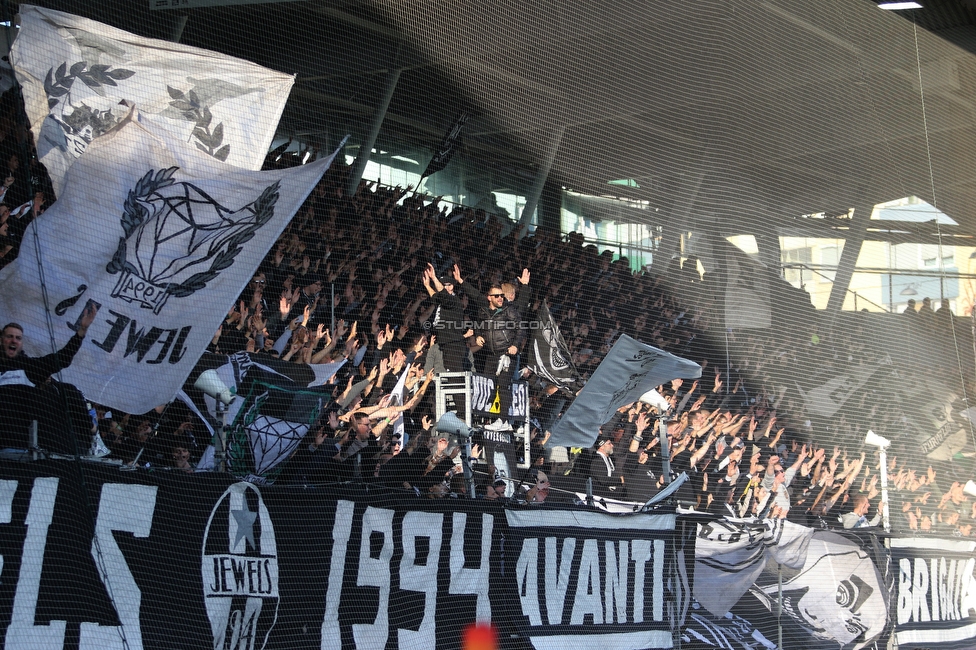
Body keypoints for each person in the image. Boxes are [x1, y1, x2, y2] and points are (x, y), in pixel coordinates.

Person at [454, 264, 525, 430]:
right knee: (487, 384)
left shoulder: (509, 310)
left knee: (503, 385)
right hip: (492, 355)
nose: (500, 298)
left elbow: (521, 327)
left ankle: (505, 421)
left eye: (501, 295)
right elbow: (474, 299)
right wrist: (478, 335)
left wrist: (515, 345)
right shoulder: (484, 309)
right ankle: (490, 419)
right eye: (497, 296)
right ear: (489, 298)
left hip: (507, 354)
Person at [0, 303, 98, 385]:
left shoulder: (28, 367)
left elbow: (63, 358)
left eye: (18, 338)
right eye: (9, 336)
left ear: (21, 344)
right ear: (1, 340)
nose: (14, 341)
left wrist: (82, 331)